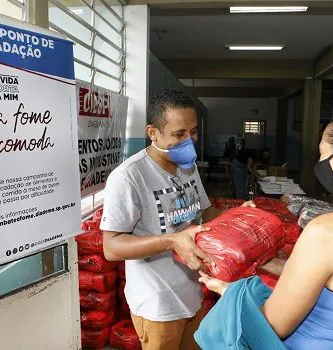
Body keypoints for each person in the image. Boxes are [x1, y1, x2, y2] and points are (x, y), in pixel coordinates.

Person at [199, 107, 333, 349]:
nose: (320, 165)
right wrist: (265, 263)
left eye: (322, 155)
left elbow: (273, 325)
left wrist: (231, 292)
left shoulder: (327, 231)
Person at [100, 89, 255, 350]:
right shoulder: (129, 177)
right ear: (153, 133)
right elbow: (111, 247)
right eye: (179, 134)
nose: (189, 142)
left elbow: (203, 214)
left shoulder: (188, 167)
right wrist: (171, 241)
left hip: (193, 292)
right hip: (158, 303)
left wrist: (240, 213)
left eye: (193, 131)